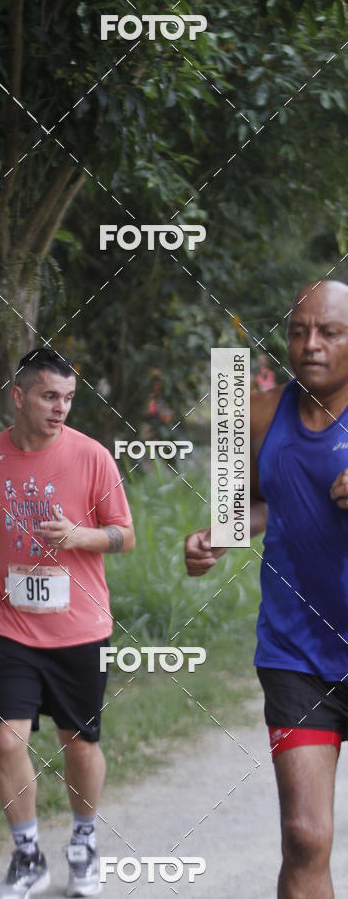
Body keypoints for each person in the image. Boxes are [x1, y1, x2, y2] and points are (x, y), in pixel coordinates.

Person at [184, 279, 348, 899]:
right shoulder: (253, 411)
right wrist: (214, 537)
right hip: (295, 651)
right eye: (299, 331)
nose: (311, 345)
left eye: (329, 332)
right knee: (304, 835)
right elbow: (247, 508)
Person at [0, 348, 135, 898]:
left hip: (79, 630)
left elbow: (125, 535)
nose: (61, 408)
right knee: (7, 741)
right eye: (49, 397)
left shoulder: (92, 457)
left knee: (78, 745)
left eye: (68, 398)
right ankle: (28, 855)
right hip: (10, 629)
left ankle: (83, 841)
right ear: (19, 396)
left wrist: (81, 537)